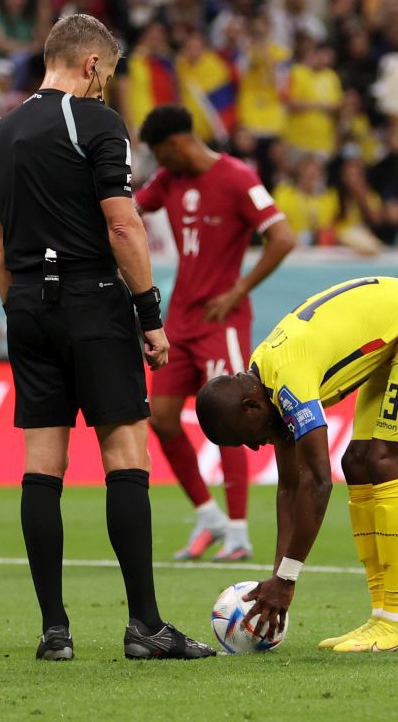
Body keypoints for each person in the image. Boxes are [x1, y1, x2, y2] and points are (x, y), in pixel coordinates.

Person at [0, 13, 214, 662]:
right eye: (106, 74)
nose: (106, 86)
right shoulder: (96, 123)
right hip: (91, 300)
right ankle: (145, 625)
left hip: (26, 304)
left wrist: (24, 309)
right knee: (125, 456)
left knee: (42, 465)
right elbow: (124, 228)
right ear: (90, 65)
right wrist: (148, 313)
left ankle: (55, 632)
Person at [195, 277, 398, 653]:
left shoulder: (287, 379)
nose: (253, 445)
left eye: (245, 437)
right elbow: (290, 485)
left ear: (251, 406)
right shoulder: (262, 380)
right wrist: (278, 576)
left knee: (384, 461)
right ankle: (381, 617)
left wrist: (288, 580)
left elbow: (317, 482)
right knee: (357, 463)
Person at [135, 104, 295, 563]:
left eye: (161, 154)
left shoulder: (238, 178)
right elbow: (126, 210)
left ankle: (240, 532)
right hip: (179, 319)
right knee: (162, 418)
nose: (158, 165)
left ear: (178, 143)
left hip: (221, 320)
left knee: (232, 417)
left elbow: (282, 237)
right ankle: (209, 516)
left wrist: (239, 288)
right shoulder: (169, 181)